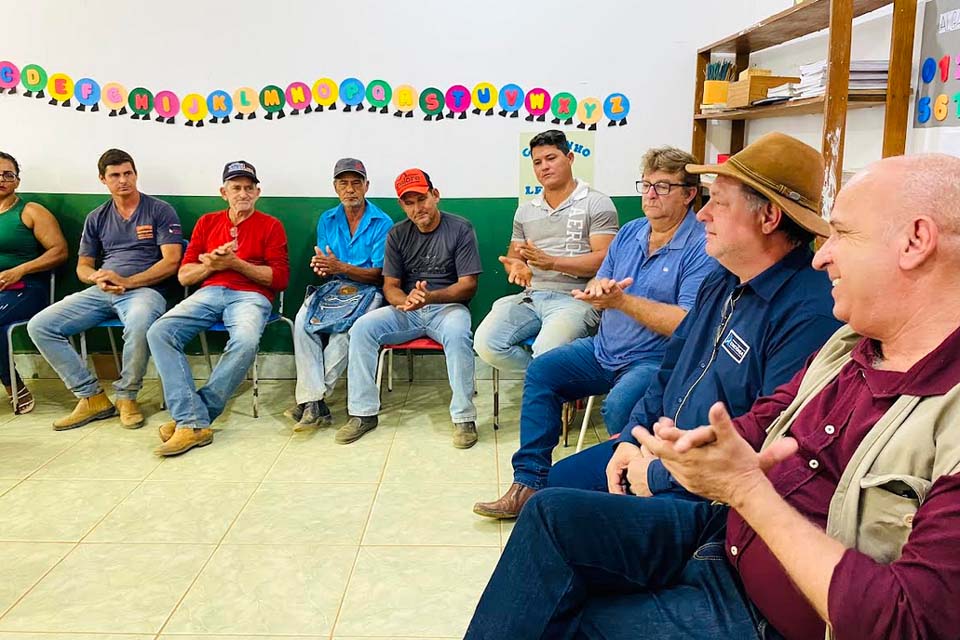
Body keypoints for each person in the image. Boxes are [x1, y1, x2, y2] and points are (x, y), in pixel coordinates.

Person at [464, 152, 960, 640]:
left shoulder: (825, 322)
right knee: (550, 517)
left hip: (768, 598)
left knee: (561, 611)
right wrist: (648, 444)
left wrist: (728, 486)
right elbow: (756, 416)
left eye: (844, 234)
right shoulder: (850, 342)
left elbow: (908, 621)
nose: (822, 254)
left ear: (916, 241)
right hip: (725, 540)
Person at [545, 133, 841, 500]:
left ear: (768, 217)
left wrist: (658, 473)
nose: (702, 214)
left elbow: (768, 440)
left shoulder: (809, 312)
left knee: (556, 511)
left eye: (718, 202)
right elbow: (671, 368)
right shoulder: (721, 279)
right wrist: (634, 436)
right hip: (663, 450)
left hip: (708, 493)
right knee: (554, 484)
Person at [473, 146, 718, 519]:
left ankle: (624, 501)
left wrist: (621, 302)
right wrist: (598, 290)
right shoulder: (632, 232)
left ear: (689, 194)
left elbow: (687, 323)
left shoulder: (701, 245)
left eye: (663, 187)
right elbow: (606, 279)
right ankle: (527, 483)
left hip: (653, 360)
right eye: (646, 185)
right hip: (604, 349)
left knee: (621, 406)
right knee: (543, 372)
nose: (650, 195)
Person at [27, 149, 182, 430]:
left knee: (140, 323)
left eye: (128, 173)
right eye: (115, 176)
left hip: (145, 290)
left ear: (135, 174)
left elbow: (171, 262)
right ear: (103, 179)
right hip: (103, 290)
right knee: (41, 325)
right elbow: (82, 267)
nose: (123, 180)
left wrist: (130, 281)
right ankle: (91, 397)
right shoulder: (96, 217)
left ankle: (127, 396)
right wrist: (97, 278)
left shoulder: (160, 210)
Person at [148, 160, 289, 456]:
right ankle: (192, 419)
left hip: (252, 296)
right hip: (209, 291)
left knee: (246, 341)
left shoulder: (271, 225)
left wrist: (236, 263)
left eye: (249, 188)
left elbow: (280, 279)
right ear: (223, 192)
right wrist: (209, 264)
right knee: (160, 330)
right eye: (236, 188)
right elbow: (184, 275)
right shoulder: (207, 223)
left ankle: (191, 419)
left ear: (258, 192)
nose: (243, 194)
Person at [340, 168, 482, 448]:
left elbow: (468, 286)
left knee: (457, 334)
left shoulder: (460, 228)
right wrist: (403, 301)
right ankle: (363, 413)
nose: (418, 208)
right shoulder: (396, 234)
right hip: (408, 308)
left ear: (435, 195)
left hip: (448, 308)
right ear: (402, 205)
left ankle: (464, 418)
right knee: (362, 328)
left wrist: (430, 298)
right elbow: (390, 285)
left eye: (422, 199)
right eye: (409, 202)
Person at [474, 129, 618, 372]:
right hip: (532, 296)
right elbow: (514, 256)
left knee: (547, 352)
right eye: (537, 162)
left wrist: (552, 263)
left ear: (570, 158)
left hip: (576, 299)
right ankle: (545, 381)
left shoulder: (597, 203)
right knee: (486, 344)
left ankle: (546, 383)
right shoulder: (525, 210)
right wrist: (515, 265)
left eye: (551, 158)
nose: (544, 167)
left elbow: (606, 259)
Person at [286, 158, 392, 430]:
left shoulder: (382, 221)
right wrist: (324, 267)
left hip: (369, 291)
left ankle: (313, 400)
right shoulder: (327, 219)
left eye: (356, 183)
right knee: (302, 322)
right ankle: (314, 403)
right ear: (335, 188)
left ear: (366, 186)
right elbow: (328, 264)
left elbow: (380, 274)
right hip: (335, 288)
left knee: (348, 332)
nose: (350, 189)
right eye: (343, 183)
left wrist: (340, 267)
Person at [0, 152, 69, 413]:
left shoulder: (30, 211)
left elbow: (59, 251)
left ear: (17, 181)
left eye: (9, 174)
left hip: (26, 289)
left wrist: (20, 270)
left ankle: (12, 385)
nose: (3, 179)